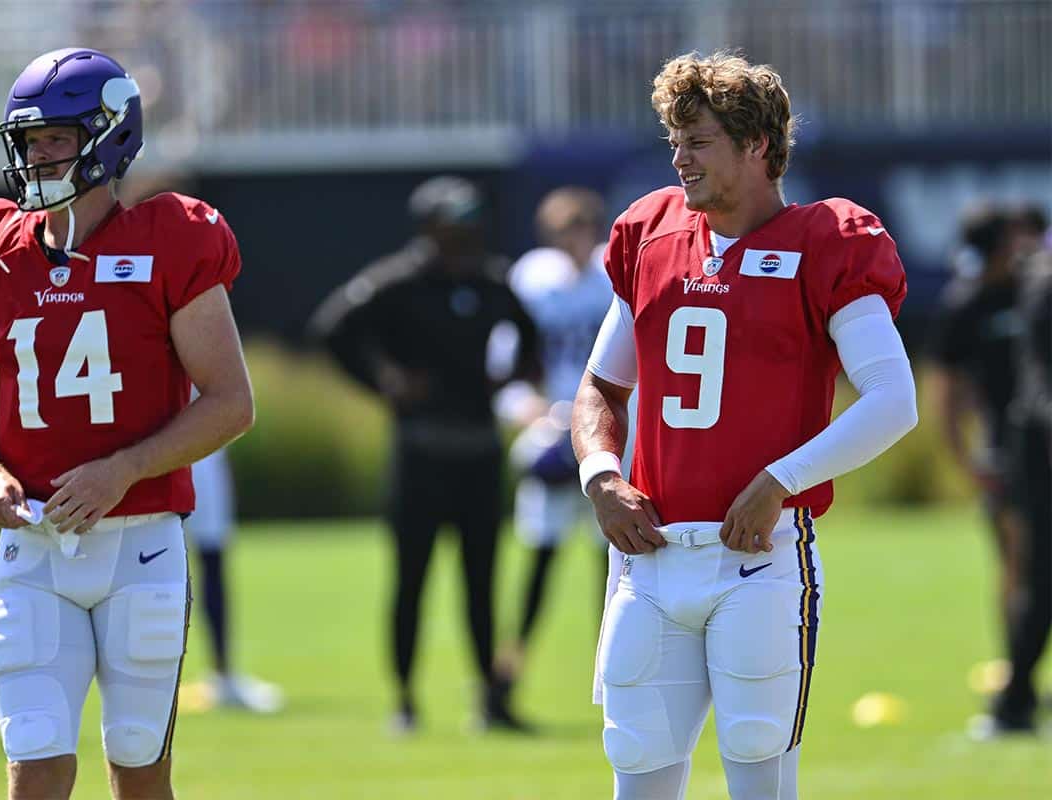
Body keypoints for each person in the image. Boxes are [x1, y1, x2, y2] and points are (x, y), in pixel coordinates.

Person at [571, 52, 917, 799]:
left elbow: (893, 399)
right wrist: (601, 477)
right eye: (674, 138)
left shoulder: (829, 239)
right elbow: (601, 386)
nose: (678, 156)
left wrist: (781, 481)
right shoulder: (650, 231)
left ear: (757, 144)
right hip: (651, 558)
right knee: (636, 770)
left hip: (757, 560)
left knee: (759, 774)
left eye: (696, 139)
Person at [0, 48, 253, 800]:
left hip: (140, 545)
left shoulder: (172, 236)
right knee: (35, 768)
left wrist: (124, 469)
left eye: (55, 139)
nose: (36, 156)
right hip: (34, 547)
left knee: (140, 769)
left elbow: (230, 403)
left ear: (108, 138)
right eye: (27, 141)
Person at [310, 175, 541, 734]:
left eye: (470, 222)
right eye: (453, 223)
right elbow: (331, 329)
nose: (465, 233)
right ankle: (405, 699)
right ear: (429, 227)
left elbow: (531, 337)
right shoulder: (398, 281)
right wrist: (384, 380)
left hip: (479, 452)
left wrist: (508, 378)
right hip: (420, 453)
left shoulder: (490, 282)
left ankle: (490, 699)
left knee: (481, 582)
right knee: (412, 579)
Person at [494, 187, 616, 694]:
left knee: (612, 562)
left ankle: (614, 675)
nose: (575, 243)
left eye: (583, 229)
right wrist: (527, 410)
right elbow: (505, 367)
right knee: (540, 560)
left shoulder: (614, 275)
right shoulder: (532, 280)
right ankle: (505, 677)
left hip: (608, 431)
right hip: (551, 429)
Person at [928, 206, 1027, 655]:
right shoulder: (965, 305)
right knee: (1017, 563)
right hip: (1003, 452)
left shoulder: (1034, 291)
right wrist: (964, 459)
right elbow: (944, 393)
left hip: (1038, 442)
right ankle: (1019, 668)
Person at [974, 238, 1052, 737]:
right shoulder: (1045, 285)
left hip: (1034, 444)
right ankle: (1014, 702)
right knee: (1040, 579)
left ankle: (1015, 702)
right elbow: (1042, 383)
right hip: (1040, 454)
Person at [185, 432, 284, 713]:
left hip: (201, 450)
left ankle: (223, 676)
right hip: (174, 449)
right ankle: (221, 676)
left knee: (211, 559)